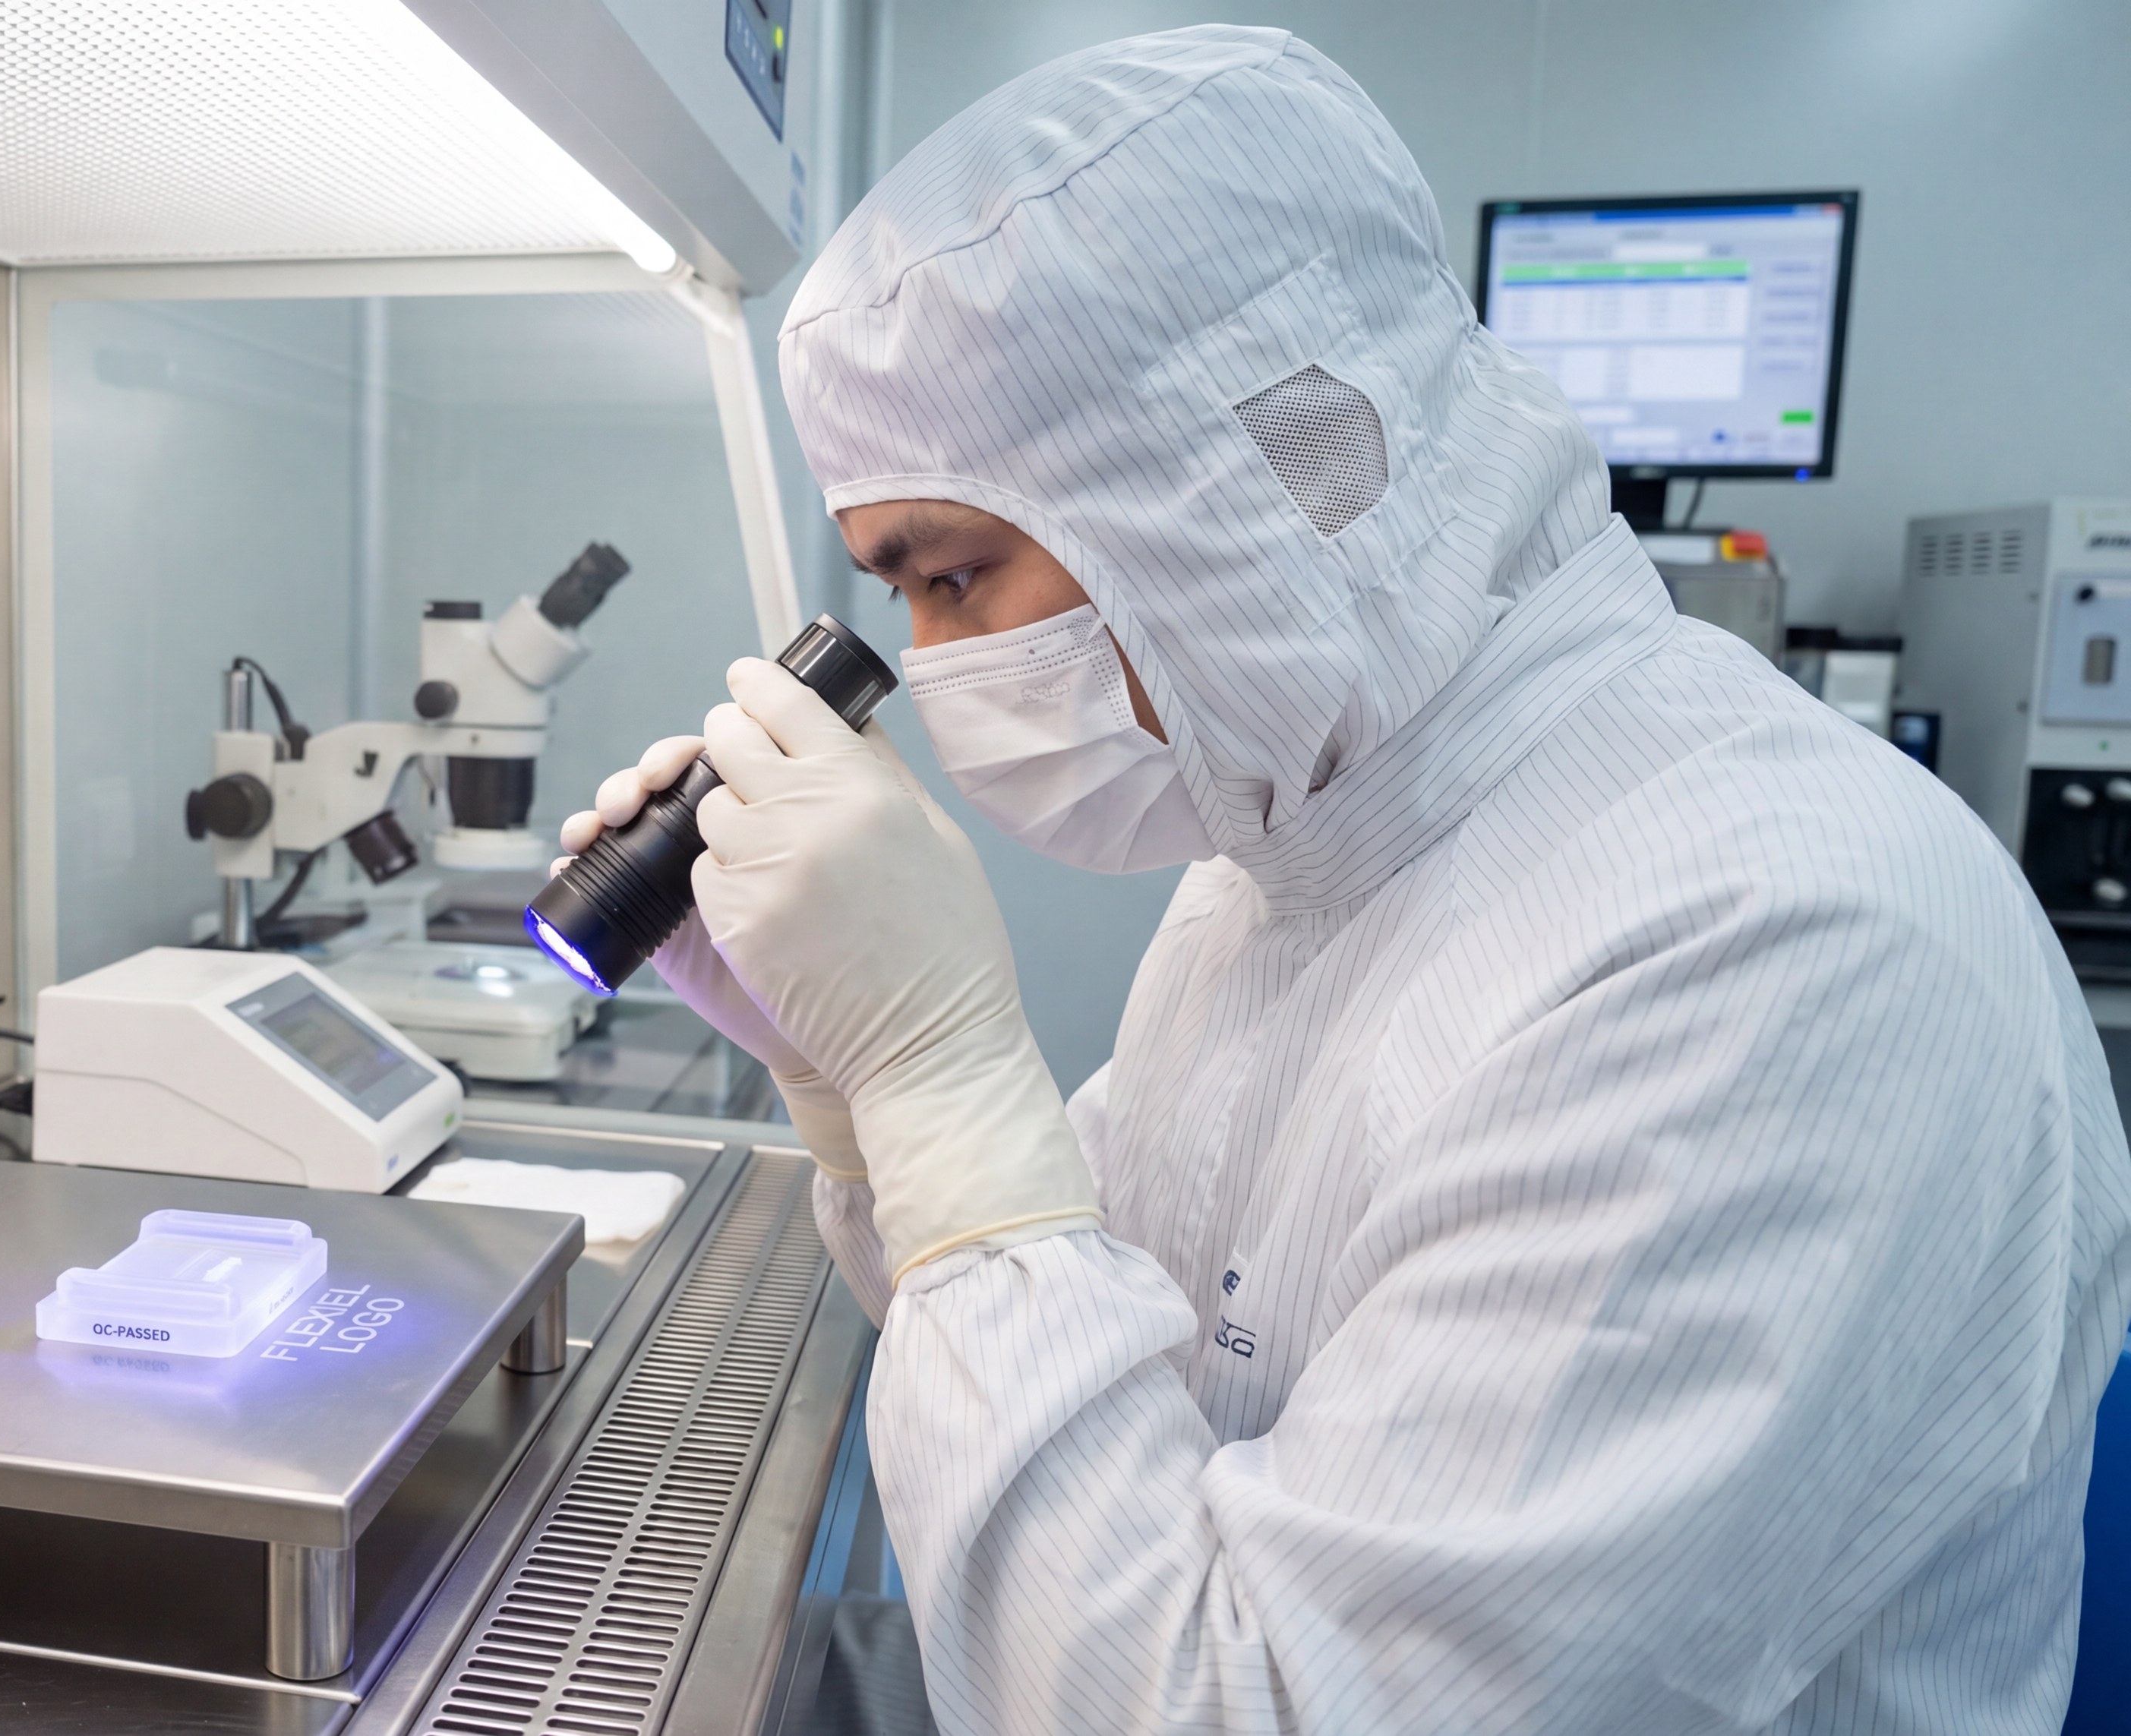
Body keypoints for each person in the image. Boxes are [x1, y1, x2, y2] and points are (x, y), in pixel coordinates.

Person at [557, 26, 2129, 1734]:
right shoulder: (1293, 843)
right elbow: (1087, 1342)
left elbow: (1249, 1705)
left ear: (1241, 483)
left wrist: (939, 1069)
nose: (931, 667)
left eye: (948, 576)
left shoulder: (1781, 952)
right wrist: (851, 1079)